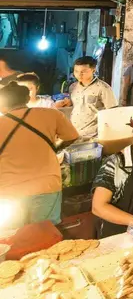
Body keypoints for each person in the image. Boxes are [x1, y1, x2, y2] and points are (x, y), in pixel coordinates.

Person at [0, 83, 79, 226]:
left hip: (9, 190)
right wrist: (55, 148)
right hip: (46, 185)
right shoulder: (51, 114)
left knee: (12, 238)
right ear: (26, 98)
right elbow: (72, 136)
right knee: (45, 233)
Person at [69, 56, 117, 138]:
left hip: (93, 135)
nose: (79, 74)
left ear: (93, 70)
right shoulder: (73, 87)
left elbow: (112, 111)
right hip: (75, 132)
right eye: (76, 71)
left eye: (83, 71)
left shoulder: (103, 88)